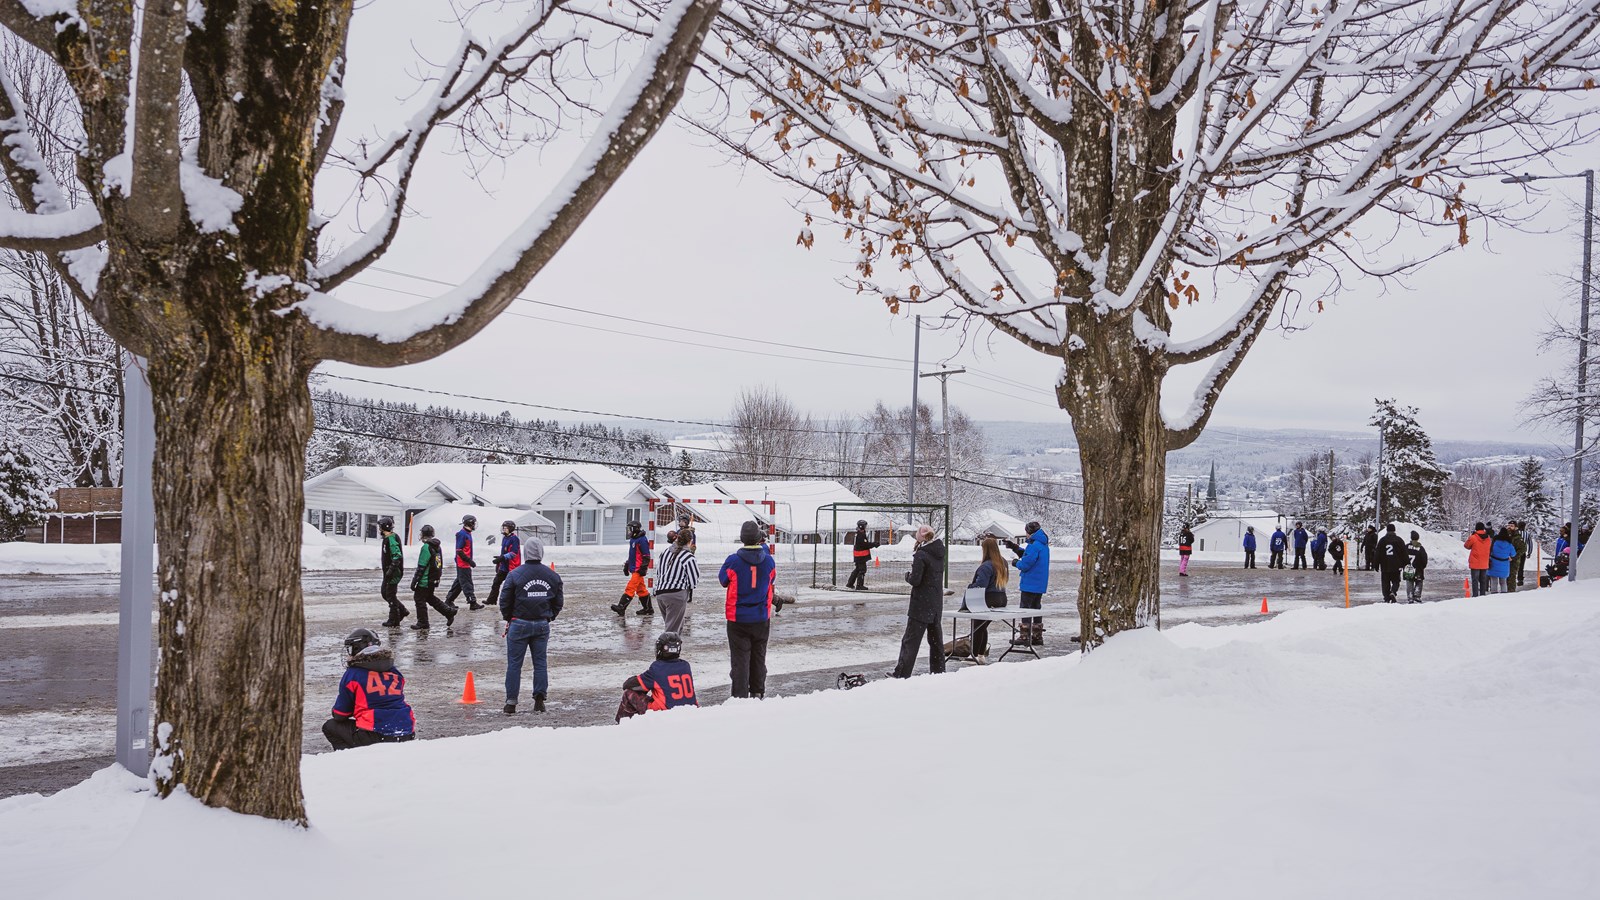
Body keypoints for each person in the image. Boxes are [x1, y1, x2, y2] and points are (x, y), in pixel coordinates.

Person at [322, 628, 415, 750]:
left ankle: (350, 757)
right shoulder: (395, 671)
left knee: (330, 726)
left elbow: (340, 715)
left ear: (358, 648)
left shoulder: (353, 674)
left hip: (375, 733)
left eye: (351, 649)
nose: (349, 654)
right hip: (407, 731)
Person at [500, 537, 563, 714]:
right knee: (540, 663)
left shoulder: (514, 574)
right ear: (541, 552)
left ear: (525, 552)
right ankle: (539, 700)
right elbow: (558, 602)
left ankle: (511, 703)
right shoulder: (552, 575)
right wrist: (549, 617)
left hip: (518, 623)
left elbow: (504, 600)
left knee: (514, 664)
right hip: (541, 624)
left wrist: (509, 618)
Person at [719, 520, 776, 699]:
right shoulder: (769, 561)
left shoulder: (733, 560)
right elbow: (771, 580)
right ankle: (757, 691)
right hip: (761, 617)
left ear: (742, 539)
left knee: (739, 660)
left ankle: (740, 696)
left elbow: (723, 580)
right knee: (759, 657)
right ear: (759, 538)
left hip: (738, 618)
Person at [893, 525, 946, 678]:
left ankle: (902, 673)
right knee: (936, 641)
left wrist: (908, 576)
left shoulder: (921, 555)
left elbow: (916, 580)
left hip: (921, 603)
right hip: (935, 603)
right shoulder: (939, 552)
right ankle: (939, 672)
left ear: (922, 536)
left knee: (911, 640)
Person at [620, 631, 698, 717]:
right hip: (690, 710)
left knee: (628, 693)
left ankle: (625, 724)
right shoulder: (686, 665)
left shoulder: (657, 667)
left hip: (665, 713)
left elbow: (628, 685)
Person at [1002, 521, 1050, 645]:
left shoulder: (1034, 545)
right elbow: (1029, 556)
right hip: (1039, 583)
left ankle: (1024, 636)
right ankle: (1037, 636)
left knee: (1026, 608)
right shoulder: (1042, 544)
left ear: (1030, 532)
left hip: (1030, 582)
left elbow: (1026, 564)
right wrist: (1015, 547)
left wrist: (1015, 563)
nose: (1026, 534)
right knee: (1036, 608)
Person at [965, 536, 1009, 662]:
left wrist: (970, 586)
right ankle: (980, 655)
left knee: (977, 626)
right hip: (1001, 598)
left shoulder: (986, 566)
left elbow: (981, 585)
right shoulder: (1003, 562)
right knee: (982, 626)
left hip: (988, 599)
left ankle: (974, 655)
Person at [654, 527, 699, 634]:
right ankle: (666, 645)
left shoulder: (665, 552)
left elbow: (658, 572)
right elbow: (693, 580)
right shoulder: (688, 557)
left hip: (660, 593)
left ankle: (674, 643)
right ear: (690, 541)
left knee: (675, 625)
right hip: (676, 594)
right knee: (672, 630)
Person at [409, 524, 455, 630]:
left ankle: (423, 622)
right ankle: (448, 612)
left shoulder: (426, 547)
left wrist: (415, 581)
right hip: (433, 578)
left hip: (425, 579)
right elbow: (439, 563)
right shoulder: (437, 546)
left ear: (422, 534)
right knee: (430, 597)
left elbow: (421, 566)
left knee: (419, 599)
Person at [611, 520, 654, 616]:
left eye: (631, 529)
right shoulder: (633, 540)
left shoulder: (642, 540)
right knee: (641, 590)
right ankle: (648, 609)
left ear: (636, 529)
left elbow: (646, 555)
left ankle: (621, 607)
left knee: (630, 587)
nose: (629, 531)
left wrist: (643, 568)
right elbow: (632, 555)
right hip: (634, 568)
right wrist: (627, 565)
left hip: (638, 569)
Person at [444, 514, 480, 611]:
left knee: (459, 583)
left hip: (465, 563)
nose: (474, 525)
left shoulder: (467, 533)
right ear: (470, 523)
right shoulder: (462, 534)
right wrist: (469, 560)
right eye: (473, 523)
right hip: (463, 563)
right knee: (467, 583)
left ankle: (449, 600)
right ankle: (472, 602)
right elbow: (459, 550)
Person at [377, 516, 408, 627]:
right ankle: (402, 610)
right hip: (388, 571)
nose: (379, 529)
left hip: (394, 572)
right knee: (385, 593)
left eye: (380, 527)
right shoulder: (387, 538)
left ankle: (394, 619)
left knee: (390, 594)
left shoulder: (391, 539)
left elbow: (397, 555)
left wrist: (391, 569)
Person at [487, 520, 521, 611]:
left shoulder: (515, 539)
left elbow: (513, 553)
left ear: (511, 529)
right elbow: (505, 551)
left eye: (506, 528)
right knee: (496, 582)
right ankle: (491, 600)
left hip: (512, 567)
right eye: (503, 527)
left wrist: (502, 558)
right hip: (504, 566)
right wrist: (500, 558)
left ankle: (513, 602)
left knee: (511, 586)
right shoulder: (505, 538)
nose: (504, 529)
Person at [1375, 523, 1408, 602]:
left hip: (1385, 565)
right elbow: (1404, 553)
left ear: (1387, 530)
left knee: (1385, 582)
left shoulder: (1382, 540)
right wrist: (1406, 564)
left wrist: (1376, 564)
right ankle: (1393, 591)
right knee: (1396, 580)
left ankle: (1386, 597)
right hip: (1397, 565)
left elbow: (1377, 553)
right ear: (1394, 530)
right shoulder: (1399, 540)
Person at [845, 519, 880, 590]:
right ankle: (859, 585)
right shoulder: (860, 535)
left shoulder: (859, 533)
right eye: (865, 526)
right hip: (860, 556)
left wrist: (872, 544)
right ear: (862, 526)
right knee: (862, 570)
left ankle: (850, 583)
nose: (866, 527)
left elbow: (864, 544)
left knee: (857, 569)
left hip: (859, 555)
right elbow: (864, 545)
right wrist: (874, 544)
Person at [1463, 522, 1492, 597]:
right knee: (1483, 580)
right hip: (1484, 562)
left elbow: (1466, 546)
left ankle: (1475, 595)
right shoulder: (1488, 538)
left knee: (1475, 580)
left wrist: (1471, 536)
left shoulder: (1473, 537)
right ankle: (1482, 595)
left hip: (1475, 562)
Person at [1488, 526, 1516, 594]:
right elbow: (1513, 554)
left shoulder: (1495, 542)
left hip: (1494, 563)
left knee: (1494, 581)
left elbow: (1489, 550)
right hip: (1504, 564)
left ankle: (1493, 593)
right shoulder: (1509, 544)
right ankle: (1504, 594)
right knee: (1503, 581)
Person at [1403, 530, 1429, 603]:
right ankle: (1417, 595)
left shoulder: (1406, 547)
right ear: (1418, 538)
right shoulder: (1420, 547)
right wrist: (1423, 566)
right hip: (1418, 568)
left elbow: (1402, 557)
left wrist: (1403, 566)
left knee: (1409, 582)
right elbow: (1424, 558)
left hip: (1408, 568)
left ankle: (1410, 597)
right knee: (1419, 581)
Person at [1505, 522, 1526, 594]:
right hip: (1505, 560)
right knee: (1505, 577)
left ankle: (1511, 592)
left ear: (1516, 527)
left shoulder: (1518, 538)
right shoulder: (1505, 536)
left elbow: (1523, 549)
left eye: (1511, 526)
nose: (1509, 527)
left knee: (1511, 577)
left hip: (1514, 561)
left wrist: (1514, 557)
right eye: (1508, 525)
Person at [1515, 520, 1530, 589]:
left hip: (1514, 552)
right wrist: (1529, 553)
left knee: (1513, 565)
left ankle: (1512, 578)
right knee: (1521, 566)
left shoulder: (1515, 533)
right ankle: (1520, 579)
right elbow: (1530, 544)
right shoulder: (1527, 534)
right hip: (1523, 552)